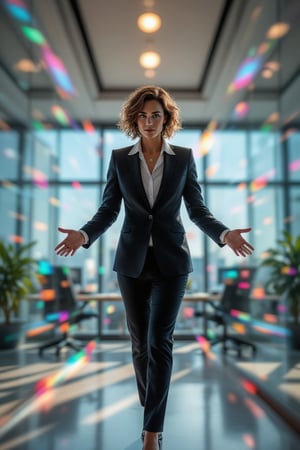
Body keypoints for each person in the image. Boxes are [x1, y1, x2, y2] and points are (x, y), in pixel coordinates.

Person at [54, 85, 254, 450]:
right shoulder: (119, 158)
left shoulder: (182, 157)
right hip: (130, 263)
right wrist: (83, 235)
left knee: (159, 342)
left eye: (155, 115)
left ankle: (151, 433)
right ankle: (153, 408)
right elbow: (109, 210)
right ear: (135, 119)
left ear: (167, 119)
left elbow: (197, 209)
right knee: (140, 346)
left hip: (172, 264)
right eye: (143, 116)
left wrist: (224, 234)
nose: (149, 122)